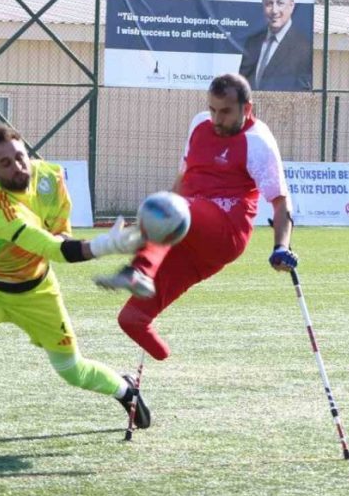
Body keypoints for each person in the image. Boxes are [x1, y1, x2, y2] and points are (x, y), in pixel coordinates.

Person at [0, 125, 149, 447]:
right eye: (5, 163)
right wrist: (104, 246)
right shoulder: (1, 210)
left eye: (20, 157)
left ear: (29, 154)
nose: (17, 166)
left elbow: (60, 236)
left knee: (71, 370)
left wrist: (94, 245)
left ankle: (126, 389)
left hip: (38, 292)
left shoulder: (51, 177)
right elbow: (51, 248)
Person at [95, 73, 298, 361]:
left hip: (225, 231)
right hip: (186, 234)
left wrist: (281, 247)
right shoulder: (199, 124)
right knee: (130, 319)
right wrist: (159, 212)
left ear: (247, 108)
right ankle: (141, 385)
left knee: (174, 209)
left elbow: (280, 202)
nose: (217, 119)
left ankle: (135, 266)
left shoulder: (258, 142)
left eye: (226, 112)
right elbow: (184, 178)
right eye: (213, 109)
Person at [237, 0, 313, 92]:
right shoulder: (252, 43)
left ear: (291, 6)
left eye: (280, 3)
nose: (274, 10)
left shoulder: (304, 49)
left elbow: (302, 93)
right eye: (269, 4)